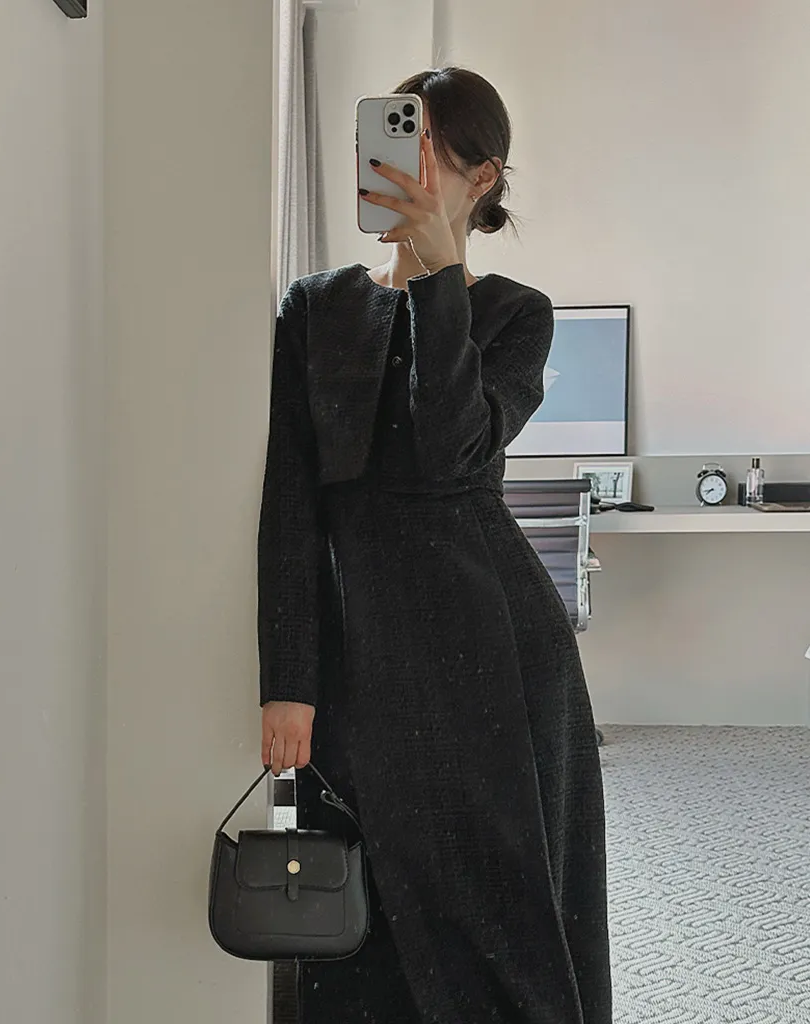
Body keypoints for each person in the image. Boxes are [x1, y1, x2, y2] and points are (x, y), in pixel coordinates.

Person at [258, 66, 612, 1024]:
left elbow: (455, 451)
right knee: (363, 902)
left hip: (492, 643)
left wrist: (439, 277)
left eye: (422, 154)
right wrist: (288, 676)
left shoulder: (515, 312)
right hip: (358, 645)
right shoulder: (314, 307)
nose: (394, 172)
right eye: (383, 147)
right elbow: (290, 500)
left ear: (480, 177)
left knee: (508, 894)